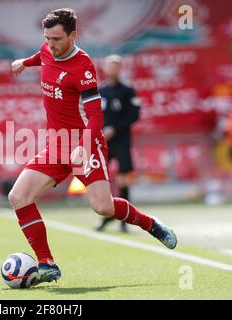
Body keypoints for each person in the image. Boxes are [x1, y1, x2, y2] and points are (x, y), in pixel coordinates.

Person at [10, 8, 177, 285]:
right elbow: (42, 56)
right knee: (18, 197)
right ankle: (47, 263)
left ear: (73, 35)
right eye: (47, 38)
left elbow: (97, 116)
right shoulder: (47, 49)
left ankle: (151, 225)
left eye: (57, 39)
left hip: (86, 144)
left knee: (102, 207)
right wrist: (25, 63)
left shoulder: (83, 66)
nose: (51, 44)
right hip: (56, 144)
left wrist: (84, 146)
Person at [94, 54, 140, 233]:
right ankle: (106, 215)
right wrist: (100, 131)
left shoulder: (128, 90)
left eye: (116, 66)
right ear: (105, 69)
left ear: (120, 69)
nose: (112, 70)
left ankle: (124, 219)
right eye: (109, 66)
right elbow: (92, 115)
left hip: (121, 141)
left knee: (123, 179)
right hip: (103, 141)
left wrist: (114, 129)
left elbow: (134, 115)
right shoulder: (100, 91)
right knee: (101, 179)